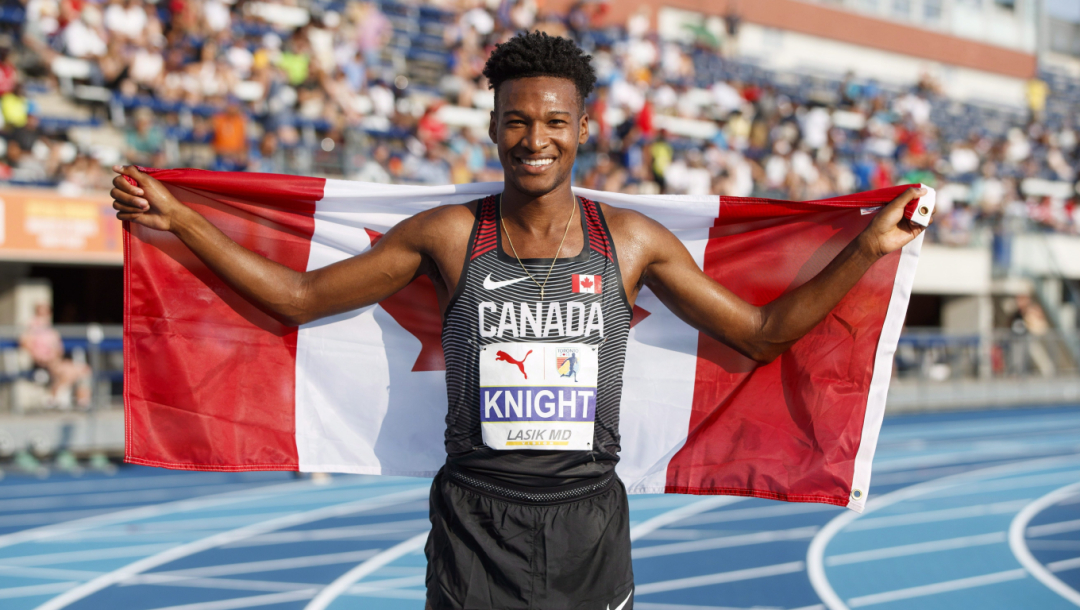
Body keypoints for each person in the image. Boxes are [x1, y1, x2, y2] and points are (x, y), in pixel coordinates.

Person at [110, 31, 927, 610]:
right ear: (494, 127)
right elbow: (296, 299)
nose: (534, 139)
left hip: (588, 528)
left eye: (553, 122)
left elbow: (760, 333)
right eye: (516, 121)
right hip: (474, 525)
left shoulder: (631, 242)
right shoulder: (450, 234)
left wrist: (865, 249)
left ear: (581, 131)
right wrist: (181, 222)